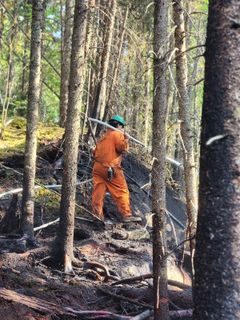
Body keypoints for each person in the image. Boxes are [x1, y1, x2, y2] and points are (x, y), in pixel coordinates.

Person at [92, 115, 141, 223]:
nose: (123, 129)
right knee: (121, 191)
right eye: (122, 126)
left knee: (98, 193)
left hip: (97, 168)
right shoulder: (117, 134)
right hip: (111, 169)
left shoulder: (104, 137)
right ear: (118, 125)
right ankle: (126, 215)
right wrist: (126, 139)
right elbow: (121, 148)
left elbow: (94, 152)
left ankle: (97, 216)